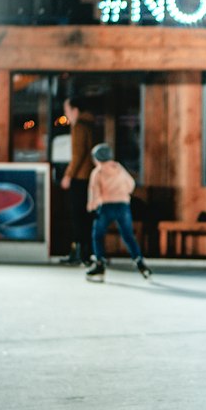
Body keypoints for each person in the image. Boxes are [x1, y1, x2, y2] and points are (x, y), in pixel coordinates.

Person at [84, 143, 151, 282]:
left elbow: (94, 192)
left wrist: (92, 206)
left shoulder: (98, 172)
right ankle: (139, 262)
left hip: (106, 206)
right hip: (122, 205)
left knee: (98, 235)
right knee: (128, 235)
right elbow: (131, 184)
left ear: (97, 158)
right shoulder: (119, 169)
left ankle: (100, 263)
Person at [58, 93, 96, 265]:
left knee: (78, 215)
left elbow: (78, 154)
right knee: (84, 216)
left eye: (67, 110)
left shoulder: (79, 127)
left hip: (80, 177)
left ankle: (80, 252)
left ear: (75, 110)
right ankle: (84, 252)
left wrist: (68, 175)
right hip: (87, 177)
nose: (65, 113)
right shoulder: (88, 125)